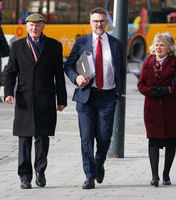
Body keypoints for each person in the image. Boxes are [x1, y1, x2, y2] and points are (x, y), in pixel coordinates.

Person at [64, 7, 125, 189]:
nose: (98, 24)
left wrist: (118, 93)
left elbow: (121, 69)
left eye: (102, 21)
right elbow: (68, 65)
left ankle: (99, 163)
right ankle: (89, 176)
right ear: (90, 23)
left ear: (107, 22)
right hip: (86, 98)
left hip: (107, 97)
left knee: (105, 138)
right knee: (86, 138)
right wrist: (76, 77)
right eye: (95, 21)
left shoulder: (116, 44)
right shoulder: (81, 42)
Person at [4, 13, 67, 189]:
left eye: (37, 25)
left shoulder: (54, 46)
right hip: (24, 99)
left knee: (42, 137)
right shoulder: (17, 47)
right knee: (24, 138)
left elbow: (59, 76)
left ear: (43, 26)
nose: (34, 28)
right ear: (26, 27)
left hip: (46, 98)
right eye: (31, 25)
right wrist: (8, 92)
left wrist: (61, 99)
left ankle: (40, 171)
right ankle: (25, 176)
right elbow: (10, 72)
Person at [137, 32, 176, 187]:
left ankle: (166, 174)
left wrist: (169, 90)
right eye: (156, 45)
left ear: (169, 48)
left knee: (171, 142)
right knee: (153, 141)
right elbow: (140, 85)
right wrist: (151, 91)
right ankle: (154, 176)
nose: (159, 47)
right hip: (152, 108)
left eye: (162, 45)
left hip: (171, 109)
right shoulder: (147, 63)